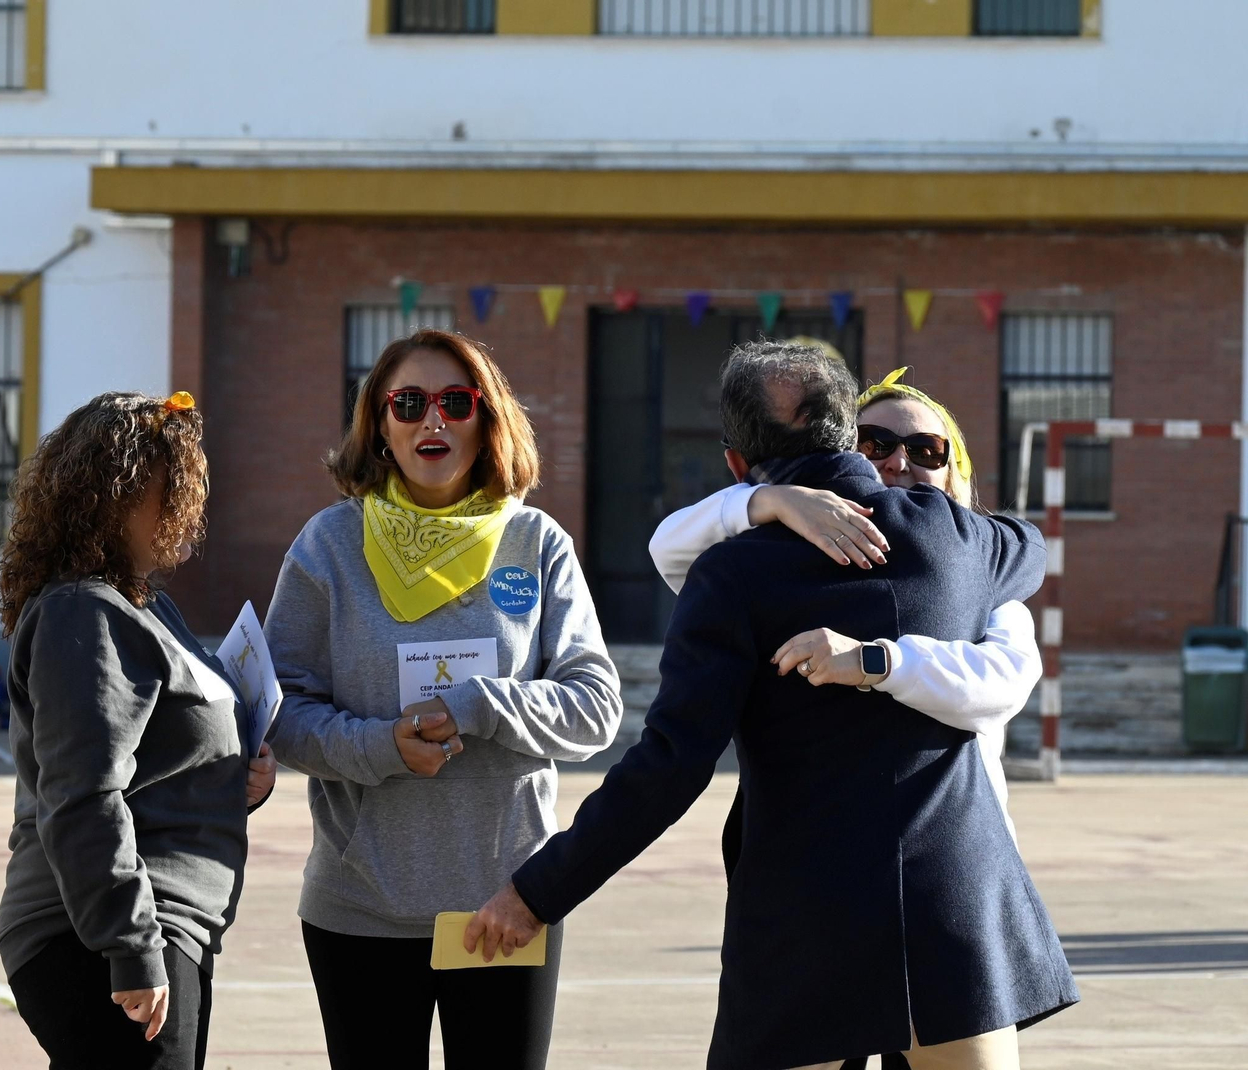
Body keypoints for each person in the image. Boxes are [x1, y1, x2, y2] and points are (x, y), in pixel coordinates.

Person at [469, 341, 1077, 1070]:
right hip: (957, 906)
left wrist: (539, 891)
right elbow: (1031, 548)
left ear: (734, 462)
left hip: (806, 915)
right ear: (850, 436)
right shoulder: (958, 537)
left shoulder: (730, 573)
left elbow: (669, 767)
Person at [264, 329, 623, 1070]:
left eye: (457, 402)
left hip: (504, 906)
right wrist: (378, 747)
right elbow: (279, 711)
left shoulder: (536, 543)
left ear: (487, 420)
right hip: (359, 910)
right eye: (410, 403)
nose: (434, 420)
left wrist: (483, 704)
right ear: (379, 423)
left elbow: (595, 710)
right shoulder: (328, 546)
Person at [0, 390, 277, 1070]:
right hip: (99, 933)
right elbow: (81, 791)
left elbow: (159, 760)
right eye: (173, 486)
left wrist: (240, 778)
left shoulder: (146, 607)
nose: (187, 506)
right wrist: (129, 944)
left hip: (158, 923)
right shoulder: (81, 613)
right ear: (113, 494)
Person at [649, 366, 1039, 841]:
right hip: (811, 850)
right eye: (875, 443)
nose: (897, 462)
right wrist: (770, 499)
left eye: (925, 450)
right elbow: (668, 547)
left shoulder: (983, 572)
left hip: (955, 849)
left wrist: (873, 660)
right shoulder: (783, 559)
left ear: (954, 476)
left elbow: (1001, 685)